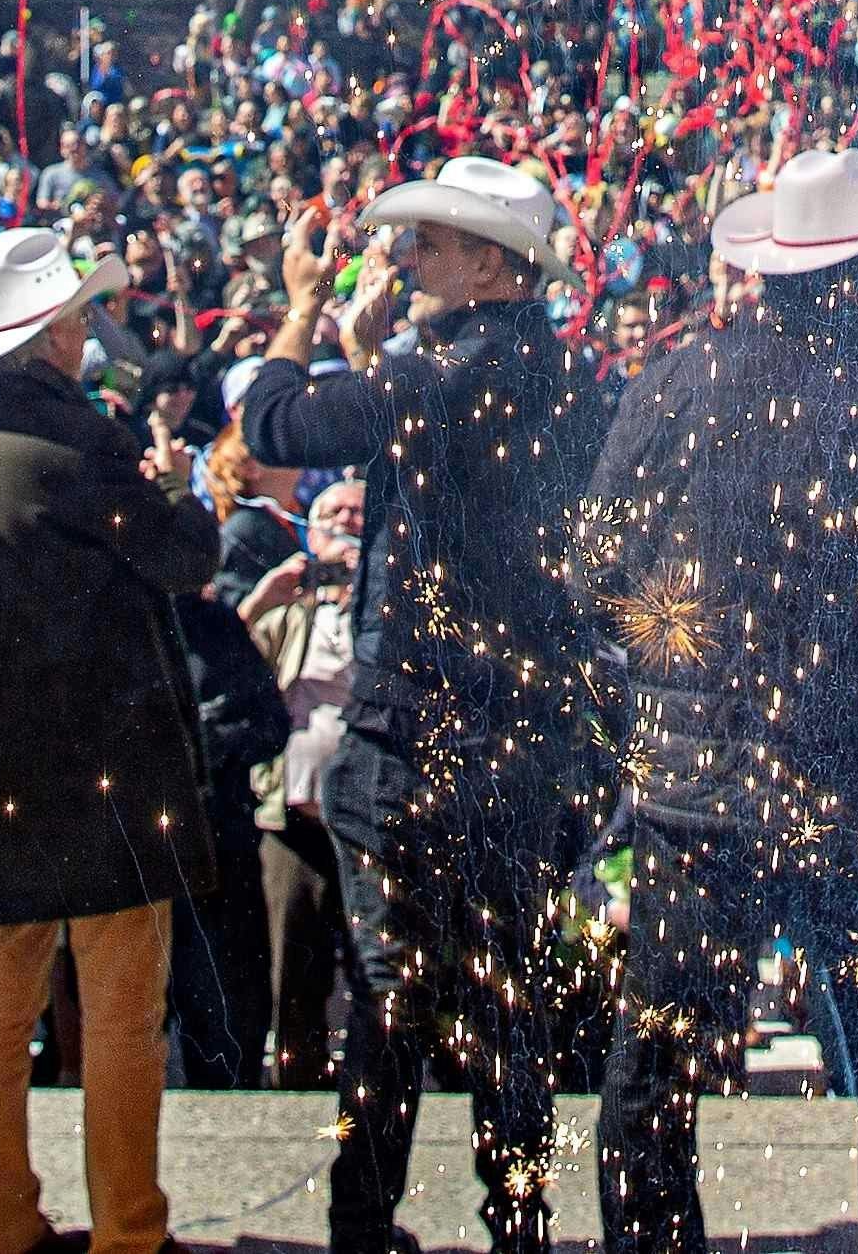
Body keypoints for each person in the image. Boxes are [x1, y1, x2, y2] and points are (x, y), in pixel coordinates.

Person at [577, 149, 858, 1254]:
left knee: (657, 1052)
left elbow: (594, 574)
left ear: (763, 266)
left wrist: (683, 665)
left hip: (698, 785)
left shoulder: (675, 384)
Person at [229, 157, 605, 1254]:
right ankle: (520, 1222)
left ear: (490, 264)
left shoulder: (445, 372)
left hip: (413, 737)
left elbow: (276, 425)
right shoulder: (566, 376)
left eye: (430, 242)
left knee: (390, 997)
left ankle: (362, 1219)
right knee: (507, 995)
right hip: (520, 738)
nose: (404, 255)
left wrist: (299, 308)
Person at [0, 226, 223, 1254]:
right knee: (121, 1002)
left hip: (4, 755)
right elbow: (181, 555)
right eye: (78, 317)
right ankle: (127, 1229)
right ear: (45, 336)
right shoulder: (77, 442)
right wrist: (177, 481)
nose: (88, 332)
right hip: (108, 759)